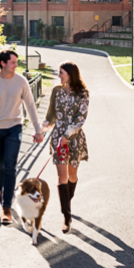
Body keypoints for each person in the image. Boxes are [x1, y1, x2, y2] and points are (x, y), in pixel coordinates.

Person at [0, 50, 44, 225]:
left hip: (14, 127)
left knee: (10, 167)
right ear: (3, 63)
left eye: (16, 62)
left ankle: (6, 207)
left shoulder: (21, 81)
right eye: (13, 62)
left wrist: (38, 130)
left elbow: (30, 105)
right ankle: (4, 190)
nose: (16, 65)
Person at [43, 61, 89, 234]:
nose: (58, 75)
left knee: (72, 175)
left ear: (70, 74)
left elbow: (81, 118)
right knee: (61, 177)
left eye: (61, 72)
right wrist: (42, 128)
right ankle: (66, 217)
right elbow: (51, 116)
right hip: (57, 137)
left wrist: (67, 135)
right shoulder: (56, 91)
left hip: (75, 138)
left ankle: (67, 200)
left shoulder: (83, 93)